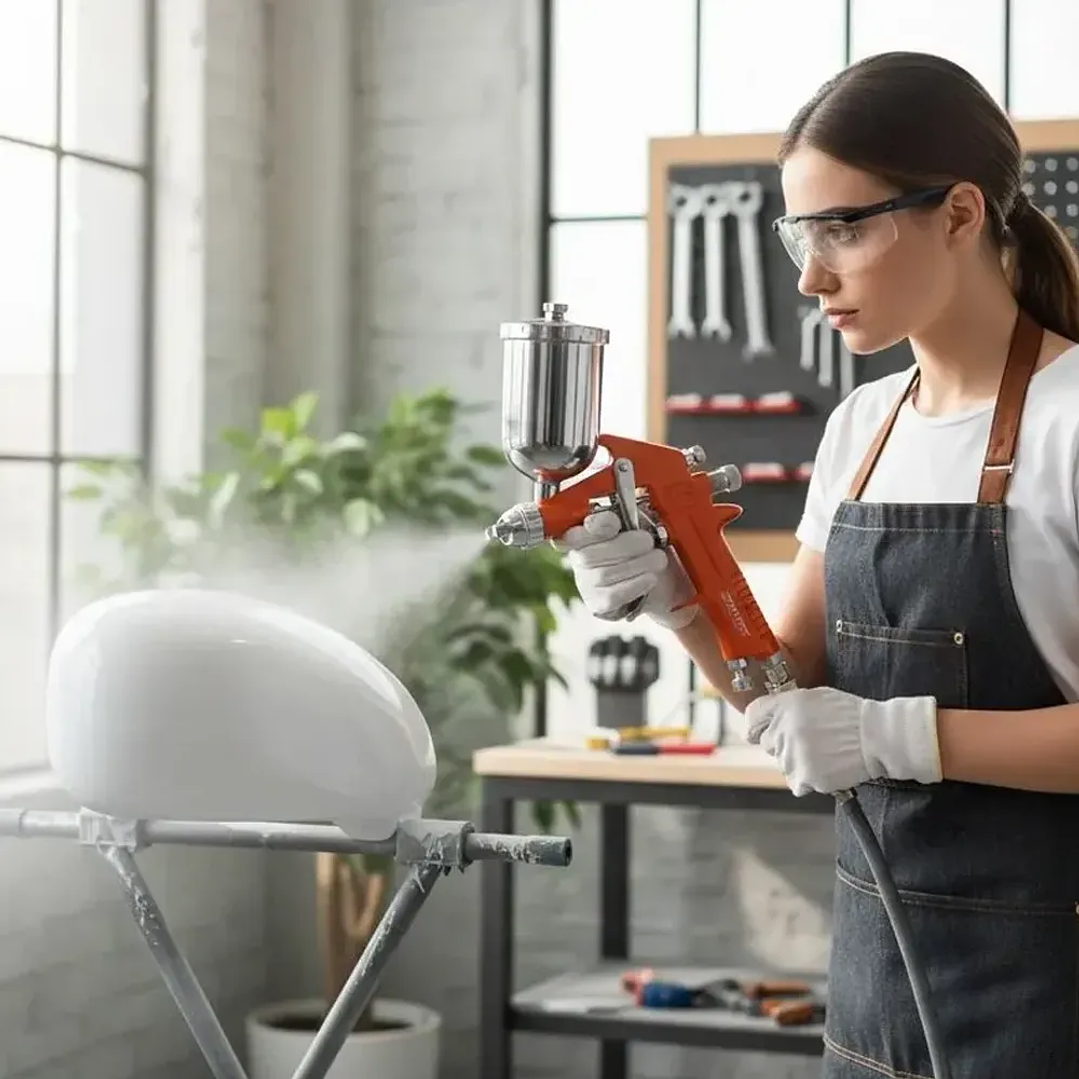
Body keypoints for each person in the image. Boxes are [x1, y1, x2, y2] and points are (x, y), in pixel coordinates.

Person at [554, 51, 1079, 1078]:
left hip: (1048, 989)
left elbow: (860, 727)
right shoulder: (860, 425)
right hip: (876, 977)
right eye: (801, 231)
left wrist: (894, 732)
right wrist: (678, 601)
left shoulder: (1071, 420)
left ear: (960, 213)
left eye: (845, 226)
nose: (808, 274)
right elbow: (783, 689)